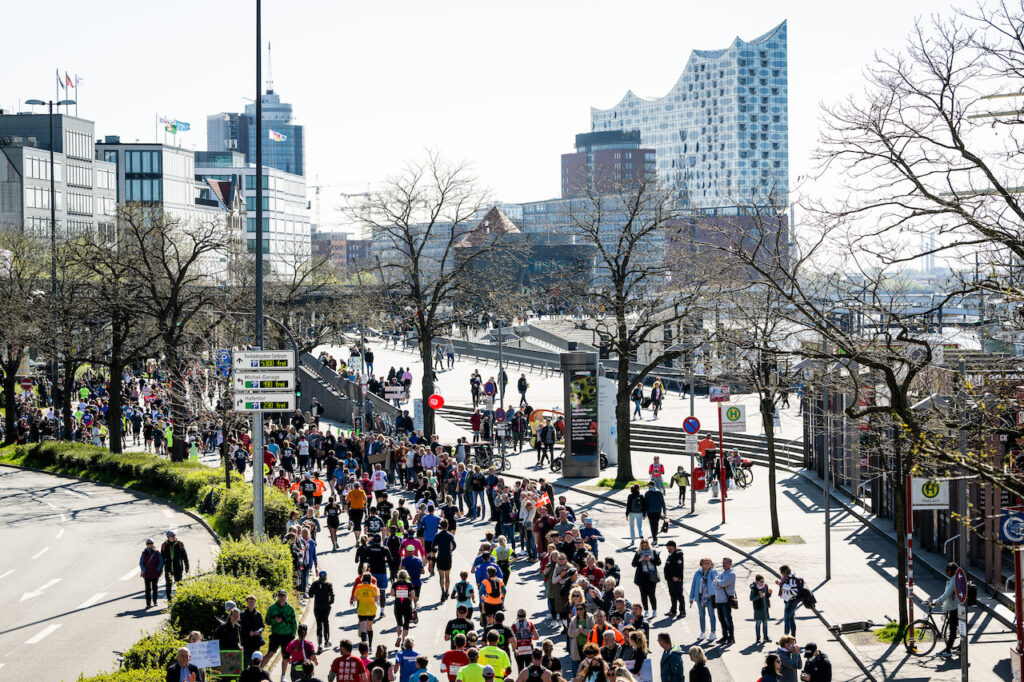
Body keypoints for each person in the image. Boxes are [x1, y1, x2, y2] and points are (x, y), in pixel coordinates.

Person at [927, 561, 960, 658]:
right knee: (955, 628)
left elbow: (946, 595)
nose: (946, 572)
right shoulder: (954, 579)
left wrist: (935, 602)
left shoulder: (954, 580)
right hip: (954, 606)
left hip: (955, 607)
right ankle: (960, 648)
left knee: (953, 629)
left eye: (947, 570)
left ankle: (948, 650)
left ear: (952, 571)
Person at [266, 590, 298, 679]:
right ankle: (259, 670)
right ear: (277, 597)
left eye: (283, 595)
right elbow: (267, 621)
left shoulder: (290, 608)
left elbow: (294, 623)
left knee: (286, 656)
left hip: (287, 636)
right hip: (276, 634)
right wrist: (275, 621)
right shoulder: (272, 608)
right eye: (280, 595)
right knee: (270, 653)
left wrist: (293, 635)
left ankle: (283, 676)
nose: (281, 597)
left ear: (286, 597)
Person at [688, 558, 717, 643]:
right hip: (700, 597)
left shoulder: (713, 572)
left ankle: (713, 632)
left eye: (709, 563)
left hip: (710, 597)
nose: (708, 565)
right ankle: (703, 632)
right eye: (706, 563)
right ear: (701, 564)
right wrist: (691, 597)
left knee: (711, 614)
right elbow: (693, 585)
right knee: (701, 615)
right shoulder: (698, 573)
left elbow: (716, 581)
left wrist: (712, 571)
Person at [631, 538, 661, 618]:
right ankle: (646, 610)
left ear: (648, 545)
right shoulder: (638, 553)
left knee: (651, 594)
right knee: (643, 594)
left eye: (646, 545)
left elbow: (658, 562)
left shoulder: (653, 551)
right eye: (643, 546)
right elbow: (633, 564)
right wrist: (640, 560)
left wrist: (650, 559)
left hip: (651, 575)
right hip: (642, 576)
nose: (644, 547)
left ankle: (654, 610)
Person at [308, 571, 336, 653]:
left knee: (319, 624)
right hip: (326, 607)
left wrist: (314, 594)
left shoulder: (315, 584)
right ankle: (327, 641)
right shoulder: (329, 585)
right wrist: (330, 602)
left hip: (317, 607)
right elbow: (332, 595)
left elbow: (310, 593)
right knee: (326, 622)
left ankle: (319, 643)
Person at [352, 573, 380, 647]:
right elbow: (376, 599)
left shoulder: (359, 587)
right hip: (371, 610)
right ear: (370, 579)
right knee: (369, 627)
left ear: (362, 579)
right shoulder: (373, 587)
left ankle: (365, 647)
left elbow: (355, 598)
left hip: (362, 610)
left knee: (363, 629)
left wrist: (360, 597)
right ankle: (370, 646)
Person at [711, 557, 735, 645]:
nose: (723, 565)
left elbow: (724, 583)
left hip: (726, 600)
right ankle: (724, 636)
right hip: (718, 600)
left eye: (725, 563)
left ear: (730, 564)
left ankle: (731, 637)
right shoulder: (721, 573)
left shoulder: (731, 574)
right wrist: (719, 583)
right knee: (721, 619)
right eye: (723, 563)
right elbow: (714, 583)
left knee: (727, 619)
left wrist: (719, 583)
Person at [160, 530, 190, 600]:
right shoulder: (164, 545)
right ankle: (169, 601)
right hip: (168, 568)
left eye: (174, 536)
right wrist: (160, 569)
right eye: (172, 536)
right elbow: (162, 558)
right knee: (168, 586)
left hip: (178, 568)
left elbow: (185, 556)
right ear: (168, 537)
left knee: (179, 584)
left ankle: (181, 600)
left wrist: (187, 566)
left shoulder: (179, 544)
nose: (173, 537)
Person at [241, 594, 266, 665]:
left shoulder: (258, 614)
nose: (251, 604)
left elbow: (262, 626)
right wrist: (248, 633)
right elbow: (240, 627)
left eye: (253, 602)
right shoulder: (242, 614)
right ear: (247, 602)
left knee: (255, 661)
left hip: (255, 641)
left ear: (255, 603)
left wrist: (259, 631)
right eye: (250, 602)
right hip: (245, 641)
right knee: (246, 660)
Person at [663, 541, 685, 618]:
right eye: (667, 547)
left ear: (673, 547)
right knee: (672, 595)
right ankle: (673, 610)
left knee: (679, 595)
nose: (667, 548)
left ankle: (682, 611)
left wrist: (677, 576)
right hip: (670, 579)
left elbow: (680, 567)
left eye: (669, 547)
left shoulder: (678, 555)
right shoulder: (670, 555)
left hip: (676, 579)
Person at [777, 565, 801, 637]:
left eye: (781, 572)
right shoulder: (791, 578)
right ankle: (793, 637)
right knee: (792, 620)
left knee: (787, 620)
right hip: (793, 601)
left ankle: (786, 638)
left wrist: (781, 584)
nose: (781, 574)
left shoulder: (787, 579)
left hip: (789, 601)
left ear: (784, 572)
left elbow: (787, 589)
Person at [139, 537, 163, 608]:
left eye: (151, 543)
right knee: (147, 589)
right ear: (146, 544)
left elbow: (161, 561)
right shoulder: (144, 553)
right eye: (149, 543)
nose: (150, 545)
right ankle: (148, 603)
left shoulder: (157, 552)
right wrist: (144, 570)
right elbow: (141, 563)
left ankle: (155, 601)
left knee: (155, 588)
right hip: (147, 574)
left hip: (155, 573)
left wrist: (158, 569)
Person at [750, 574, 772, 644]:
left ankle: (765, 637)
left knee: (765, 623)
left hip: (765, 608)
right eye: (761, 581)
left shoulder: (765, 586)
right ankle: (758, 638)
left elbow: (767, 596)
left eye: (763, 581)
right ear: (757, 582)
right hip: (758, 608)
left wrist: (769, 593)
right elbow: (751, 598)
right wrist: (759, 596)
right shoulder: (754, 589)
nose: (762, 583)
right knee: (758, 623)